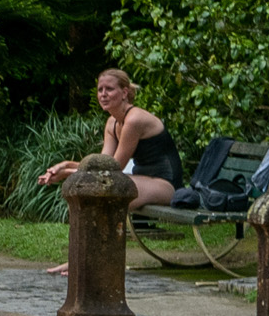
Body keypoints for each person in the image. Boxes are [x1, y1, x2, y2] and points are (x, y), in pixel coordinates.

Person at [37, 68, 181, 274]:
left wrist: (68, 170)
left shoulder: (134, 120)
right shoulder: (112, 122)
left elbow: (114, 168)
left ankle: (92, 263)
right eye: (100, 90)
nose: (103, 94)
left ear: (124, 92)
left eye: (109, 89)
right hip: (142, 179)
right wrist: (64, 165)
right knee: (90, 197)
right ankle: (79, 260)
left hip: (165, 184)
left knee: (108, 195)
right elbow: (102, 163)